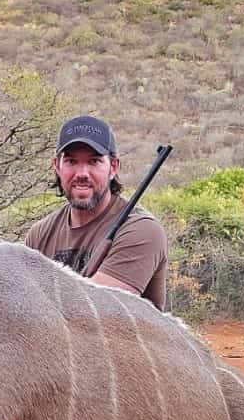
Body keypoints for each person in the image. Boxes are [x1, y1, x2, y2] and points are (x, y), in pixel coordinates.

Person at [25, 115, 168, 310]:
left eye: (94, 161)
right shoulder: (40, 234)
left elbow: (96, 312)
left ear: (113, 167)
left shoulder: (141, 230)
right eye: (71, 161)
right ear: (56, 166)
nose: (82, 173)